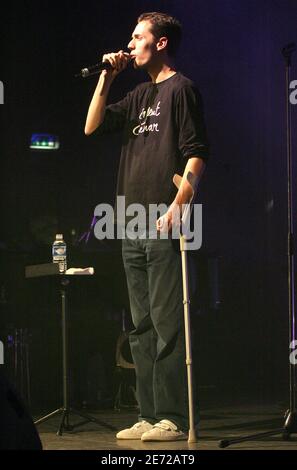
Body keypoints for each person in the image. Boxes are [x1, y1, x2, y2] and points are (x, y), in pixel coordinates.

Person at [85, 11, 209, 442]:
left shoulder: (182, 89)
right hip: (130, 220)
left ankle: (172, 416)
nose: (130, 43)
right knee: (140, 325)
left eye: (138, 37)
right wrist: (106, 77)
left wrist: (179, 206)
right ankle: (147, 412)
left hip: (164, 217)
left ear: (160, 43)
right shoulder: (137, 94)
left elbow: (196, 154)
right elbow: (92, 126)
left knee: (166, 320)